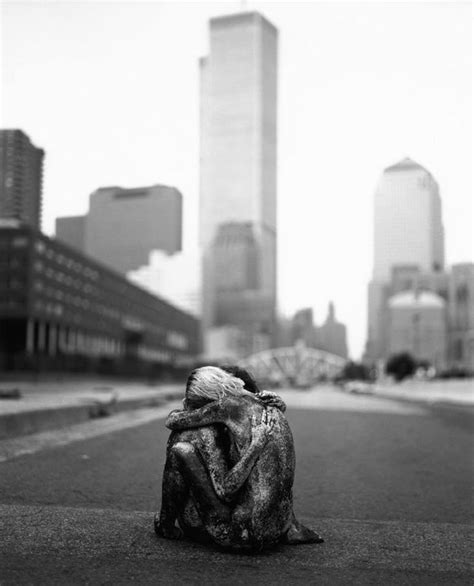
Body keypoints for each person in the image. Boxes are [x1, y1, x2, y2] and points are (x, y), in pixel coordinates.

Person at [155, 366, 323, 550]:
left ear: (208, 395)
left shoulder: (227, 405)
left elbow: (173, 421)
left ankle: (165, 524)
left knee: (181, 449)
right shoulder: (271, 408)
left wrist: (256, 446)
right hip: (278, 527)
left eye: (196, 402)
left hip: (243, 533)